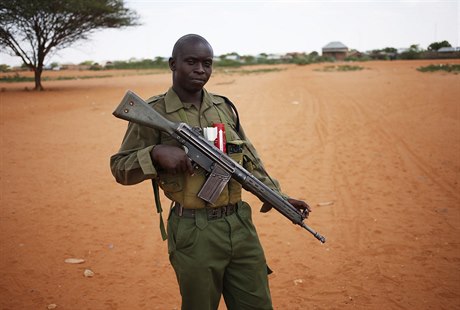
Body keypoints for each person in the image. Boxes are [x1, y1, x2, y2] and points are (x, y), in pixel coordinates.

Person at [110, 34, 311, 310]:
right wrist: (155, 154)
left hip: (240, 226)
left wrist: (278, 196)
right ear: (173, 64)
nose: (200, 69)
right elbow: (120, 168)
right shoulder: (153, 112)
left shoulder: (224, 108)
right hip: (194, 231)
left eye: (207, 63)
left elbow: (250, 162)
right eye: (191, 62)